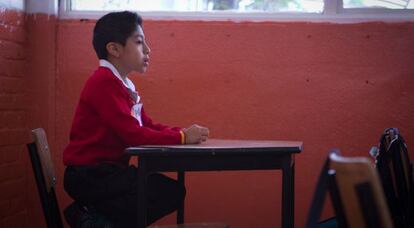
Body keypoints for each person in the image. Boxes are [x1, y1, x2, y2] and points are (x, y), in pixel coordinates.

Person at [63, 11, 209, 227]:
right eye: (140, 42)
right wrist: (181, 137)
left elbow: (146, 125)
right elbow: (133, 134)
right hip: (90, 175)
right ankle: (88, 215)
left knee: (167, 190)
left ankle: (93, 215)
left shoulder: (121, 85)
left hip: (106, 173)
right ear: (114, 49)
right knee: (168, 191)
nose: (148, 50)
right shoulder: (103, 83)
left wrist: (182, 133)